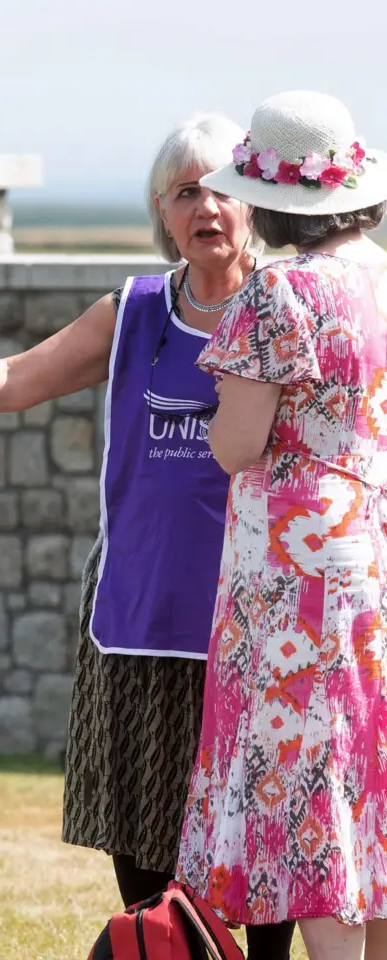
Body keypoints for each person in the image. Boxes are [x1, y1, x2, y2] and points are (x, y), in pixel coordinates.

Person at [0, 113, 294, 960]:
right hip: (135, 621)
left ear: (253, 203)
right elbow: (12, 379)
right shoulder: (136, 310)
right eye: (187, 193)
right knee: (144, 862)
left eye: (222, 190)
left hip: (250, 633)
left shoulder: (288, 313)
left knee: (257, 856)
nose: (207, 208)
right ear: (162, 212)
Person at [175, 89, 387, 960]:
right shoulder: (378, 276)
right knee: (364, 779)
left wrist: (226, 407)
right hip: (371, 551)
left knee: (304, 790)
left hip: (291, 578)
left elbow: (236, 444)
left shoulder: (279, 293)